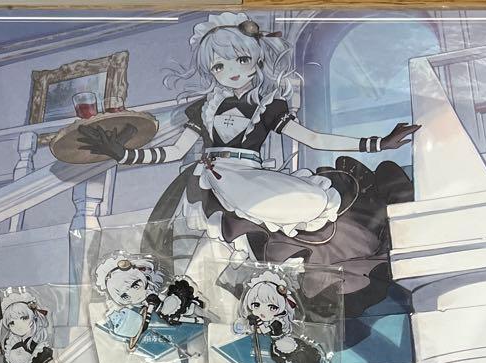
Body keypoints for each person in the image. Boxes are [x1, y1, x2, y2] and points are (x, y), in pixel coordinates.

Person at [76, 11, 419, 314]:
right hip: (208, 184)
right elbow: (174, 152)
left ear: (256, 59)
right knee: (207, 251)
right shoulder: (204, 109)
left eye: (240, 60)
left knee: (300, 212)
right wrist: (124, 155)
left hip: (253, 180)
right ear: (210, 71)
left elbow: (313, 139)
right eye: (219, 66)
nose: (231, 72)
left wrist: (377, 143)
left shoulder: (268, 106)